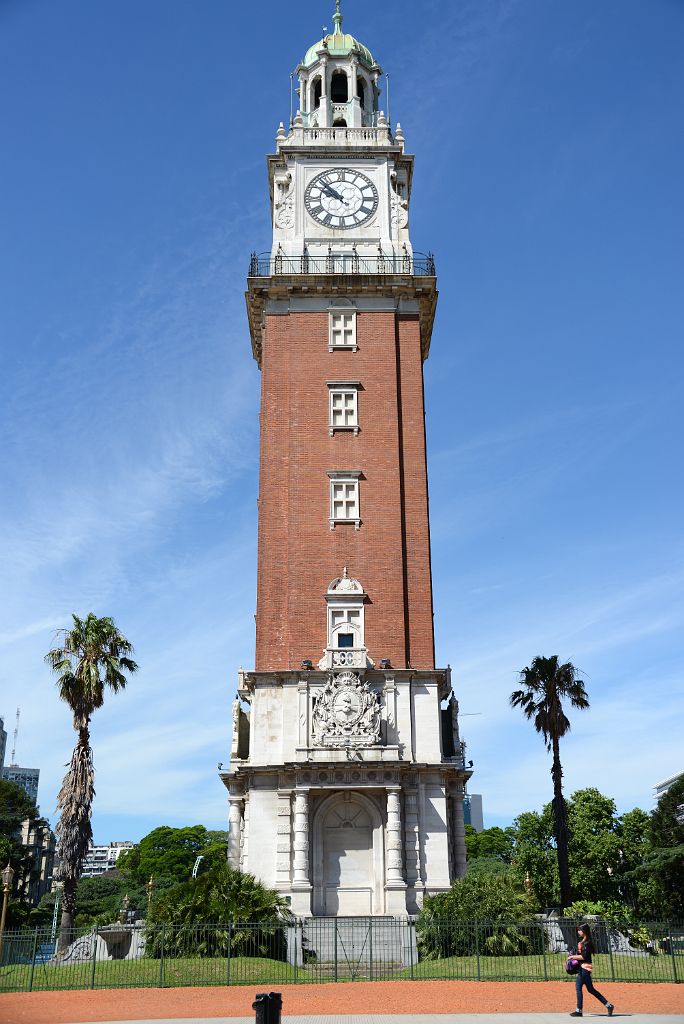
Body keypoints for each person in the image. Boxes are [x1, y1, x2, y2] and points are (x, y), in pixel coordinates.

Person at [568, 923, 615, 1017]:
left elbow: (584, 957)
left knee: (578, 988)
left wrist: (572, 956)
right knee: (591, 990)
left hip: (584, 969)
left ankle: (579, 1011)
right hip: (584, 969)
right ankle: (609, 1005)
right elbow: (581, 954)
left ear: (584, 931)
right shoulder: (583, 942)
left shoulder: (587, 943)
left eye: (579, 930)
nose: (578, 931)